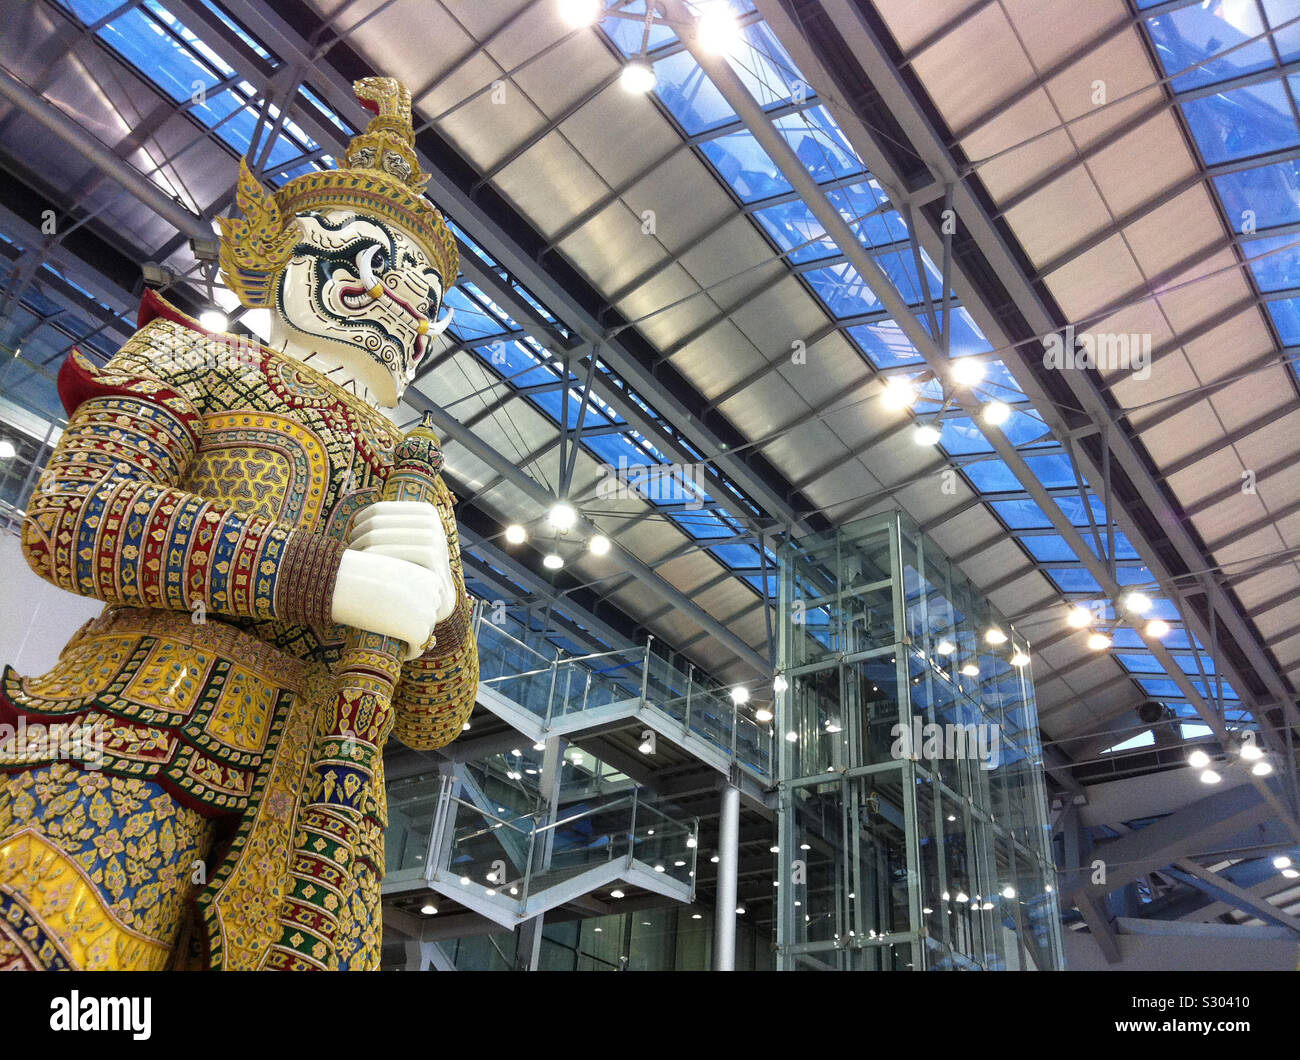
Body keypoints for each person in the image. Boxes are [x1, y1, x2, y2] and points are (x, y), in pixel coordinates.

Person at [0, 77, 477, 970]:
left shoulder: (420, 485)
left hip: (321, 814)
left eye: (421, 287)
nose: (399, 298)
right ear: (277, 253)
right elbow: (75, 512)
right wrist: (323, 578)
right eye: (371, 262)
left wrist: (445, 618)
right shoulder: (189, 354)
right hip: (131, 729)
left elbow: (435, 716)